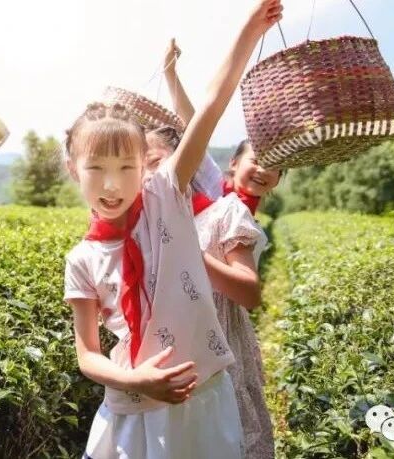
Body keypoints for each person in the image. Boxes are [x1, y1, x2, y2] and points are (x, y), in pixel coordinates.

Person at [61, 2, 283, 457]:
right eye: (96, 168)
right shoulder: (82, 260)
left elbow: (211, 106)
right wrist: (135, 380)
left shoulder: (166, 196)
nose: (111, 183)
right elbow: (87, 354)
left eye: (126, 167)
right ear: (72, 170)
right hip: (131, 409)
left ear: (145, 165)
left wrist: (248, 31)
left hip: (201, 398)